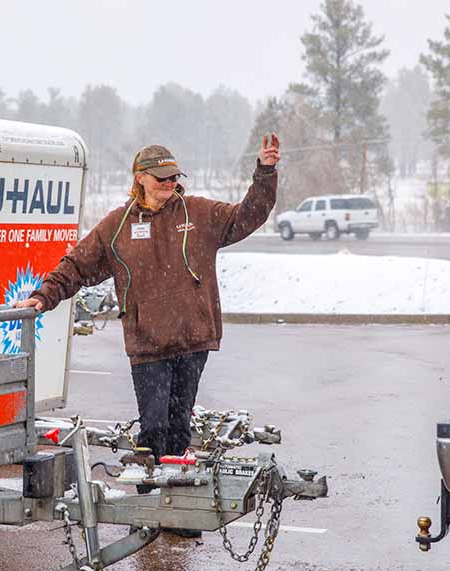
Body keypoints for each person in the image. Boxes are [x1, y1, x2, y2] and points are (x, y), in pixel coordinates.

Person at [15, 136, 281, 511]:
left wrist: (265, 172)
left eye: (173, 178)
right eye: (161, 178)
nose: (169, 184)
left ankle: (178, 512)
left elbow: (248, 215)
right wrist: (44, 296)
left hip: (192, 339)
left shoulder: (198, 214)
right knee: (153, 429)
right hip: (148, 343)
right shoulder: (118, 224)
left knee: (178, 429)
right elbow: (77, 265)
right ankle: (149, 505)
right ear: (140, 177)